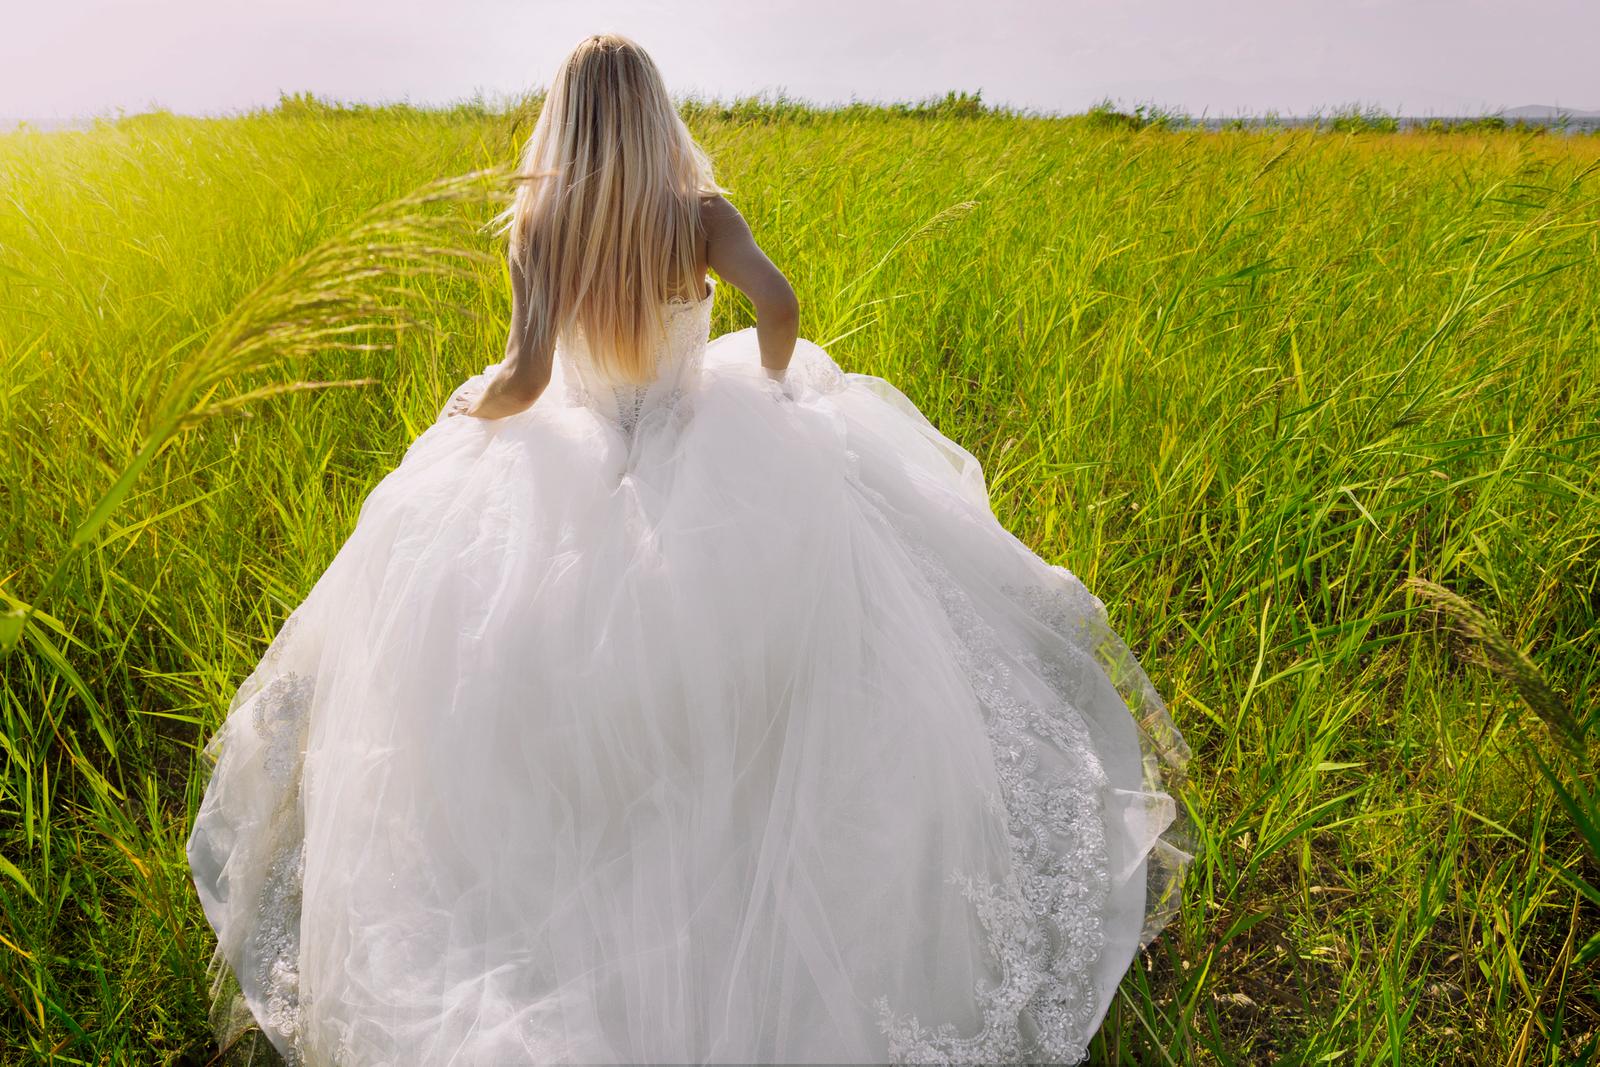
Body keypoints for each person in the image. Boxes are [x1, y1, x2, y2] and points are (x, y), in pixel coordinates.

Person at [187, 32, 1193, 1066]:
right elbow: (781, 305)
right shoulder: (701, 217)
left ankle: (572, 913)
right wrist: (765, 382)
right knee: (761, 688)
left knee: (538, 694)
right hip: (701, 442)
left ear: (565, 120)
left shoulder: (541, 224)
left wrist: (469, 405)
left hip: (570, 463)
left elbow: (529, 379)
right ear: (654, 114)